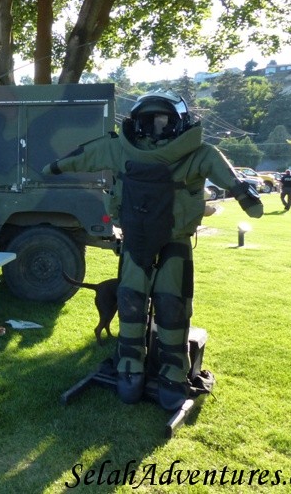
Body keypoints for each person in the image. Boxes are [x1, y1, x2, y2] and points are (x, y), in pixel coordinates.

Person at [42, 89, 263, 411]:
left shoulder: (120, 148)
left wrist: (52, 169)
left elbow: (72, 160)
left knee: (133, 304)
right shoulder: (200, 153)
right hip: (172, 243)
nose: (157, 128)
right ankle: (172, 373)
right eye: (152, 122)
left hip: (136, 242)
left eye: (162, 122)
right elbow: (239, 188)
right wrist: (249, 200)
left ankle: (130, 369)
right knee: (170, 308)